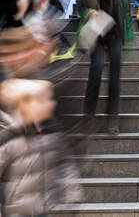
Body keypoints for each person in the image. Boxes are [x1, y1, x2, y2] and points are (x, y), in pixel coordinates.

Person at [0, 79, 82, 217]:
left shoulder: (52, 133)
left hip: (42, 208)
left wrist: (72, 193)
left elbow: (64, 164)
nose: (52, 103)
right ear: (25, 104)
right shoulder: (10, 138)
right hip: (15, 211)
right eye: (44, 100)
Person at [77, 0, 131, 133]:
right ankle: (88, 117)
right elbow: (79, 8)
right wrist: (89, 13)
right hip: (95, 32)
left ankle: (112, 118)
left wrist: (126, 35)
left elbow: (125, 10)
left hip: (114, 31)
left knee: (115, 74)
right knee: (97, 68)